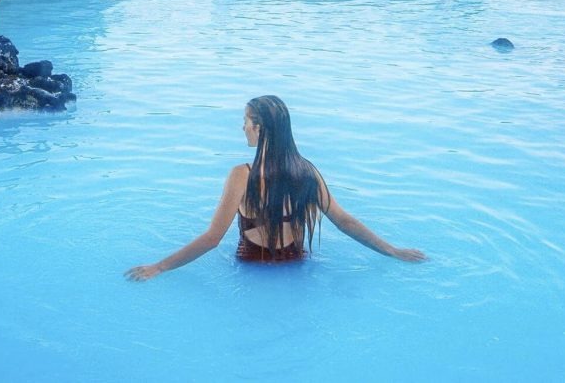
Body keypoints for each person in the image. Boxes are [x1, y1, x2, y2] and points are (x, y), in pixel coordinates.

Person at [125, 95, 426, 280]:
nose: (242, 127)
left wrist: (160, 267)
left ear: (260, 128)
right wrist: (392, 250)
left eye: (245, 121)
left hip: (251, 269)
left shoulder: (241, 176)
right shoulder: (307, 172)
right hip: (296, 266)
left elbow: (212, 239)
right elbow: (344, 221)